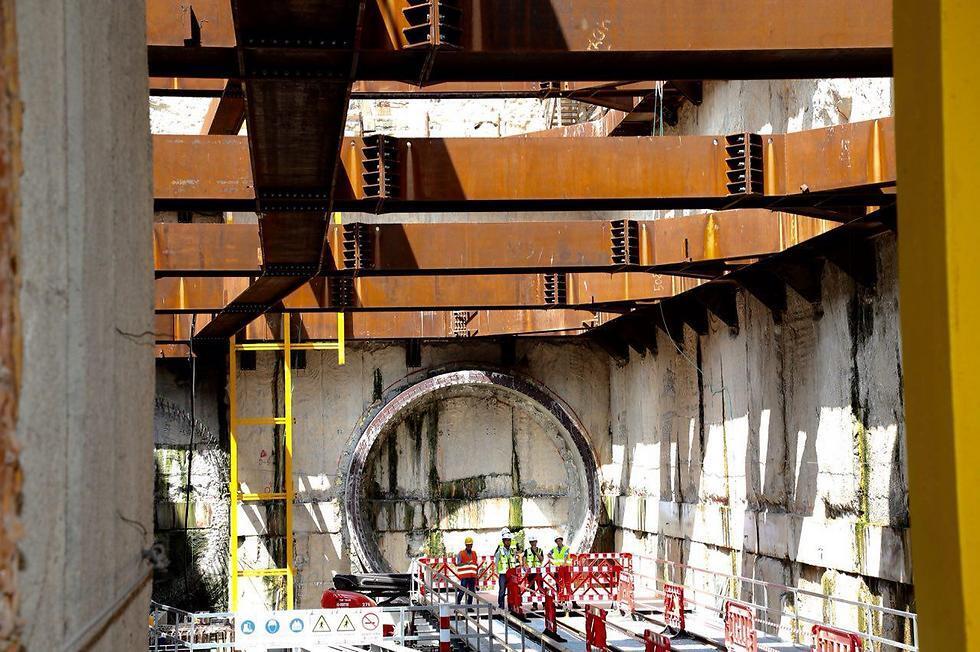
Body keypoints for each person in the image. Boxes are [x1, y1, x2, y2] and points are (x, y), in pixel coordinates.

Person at [494, 529, 519, 608]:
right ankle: (501, 604)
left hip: (511, 574)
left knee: (512, 590)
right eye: (506, 540)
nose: (508, 542)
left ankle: (511, 605)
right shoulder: (499, 551)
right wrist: (497, 571)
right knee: (502, 590)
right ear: (503, 541)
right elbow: (496, 562)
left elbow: (516, 561)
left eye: (509, 540)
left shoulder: (513, 551)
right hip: (503, 573)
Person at [455, 536, 479, 605]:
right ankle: (457, 603)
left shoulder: (474, 553)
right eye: (468, 545)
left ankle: (469, 606)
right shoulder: (461, 553)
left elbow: (475, 564)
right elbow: (458, 564)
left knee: (471, 591)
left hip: (472, 576)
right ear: (465, 545)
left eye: (470, 545)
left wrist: (476, 575)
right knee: (462, 591)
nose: (469, 546)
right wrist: (466, 563)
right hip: (464, 576)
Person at [549, 534, 572, 600]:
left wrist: (564, 563)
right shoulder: (554, 549)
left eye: (559, 540)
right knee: (558, 585)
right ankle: (560, 600)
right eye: (557, 541)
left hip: (565, 568)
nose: (558, 542)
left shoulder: (566, 548)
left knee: (567, 584)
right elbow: (548, 554)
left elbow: (566, 555)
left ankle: (571, 600)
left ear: (562, 541)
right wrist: (553, 559)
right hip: (557, 569)